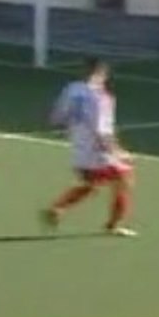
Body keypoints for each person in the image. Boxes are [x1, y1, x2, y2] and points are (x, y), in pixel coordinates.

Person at [43, 59, 137, 237]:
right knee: (125, 179)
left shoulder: (73, 89)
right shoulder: (102, 98)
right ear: (103, 74)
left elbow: (56, 117)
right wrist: (117, 152)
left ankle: (58, 208)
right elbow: (102, 131)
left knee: (91, 184)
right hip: (98, 151)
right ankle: (113, 225)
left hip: (79, 147)